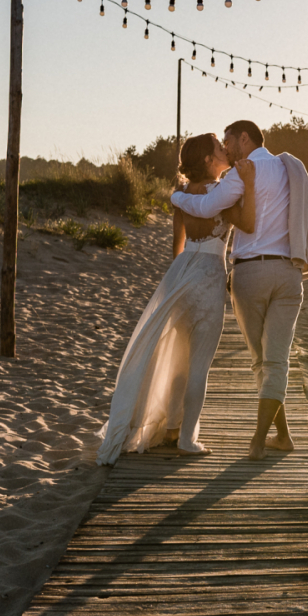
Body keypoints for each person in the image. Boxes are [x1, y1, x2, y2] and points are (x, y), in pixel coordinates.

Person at [170, 119, 308, 459]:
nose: (226, 149)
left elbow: (204, 207)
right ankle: (282, 436)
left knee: (263, 360)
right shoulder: (290, 169)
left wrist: (176, 196)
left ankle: (257, 442)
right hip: (289, 273)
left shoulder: (238, 175)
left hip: (250, 274)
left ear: (244, 138)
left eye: (228, 141)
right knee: (277, 360)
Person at [96, 133, 255, 463]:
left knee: (179, 355)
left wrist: (181, 277)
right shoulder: (223, 195)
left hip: (181, 273)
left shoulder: (182, 196)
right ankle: (186, 438)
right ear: (210, 161)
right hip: (210, 273)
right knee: (199, 364)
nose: (224, 150)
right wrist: (250, 185)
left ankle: (170, 427)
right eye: (218, 148)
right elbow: (249, 225)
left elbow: (176, 246)